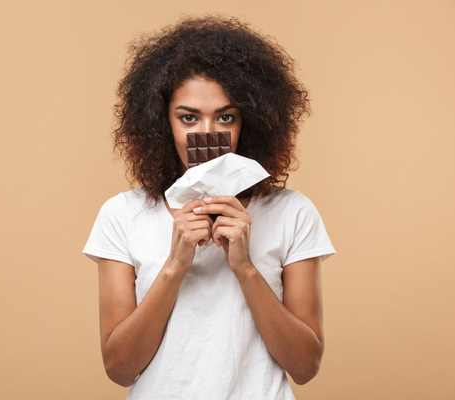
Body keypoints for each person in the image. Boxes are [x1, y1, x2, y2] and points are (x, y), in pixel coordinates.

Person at [83, 15, 335, 399]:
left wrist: (245, 268)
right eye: (188, 117)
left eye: (226, 117)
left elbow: (305, 367)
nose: (207, 134)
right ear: (160, 122)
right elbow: (119, 369)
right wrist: (175, 266)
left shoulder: (292, 213)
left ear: (249, 122)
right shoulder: (122, 215)